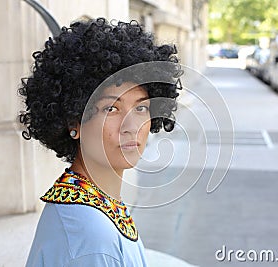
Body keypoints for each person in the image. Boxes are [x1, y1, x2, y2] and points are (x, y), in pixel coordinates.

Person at [19, 17, 182, 267]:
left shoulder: (92, 201)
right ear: (74, 122)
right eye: (111, 108)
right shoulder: (92, 239)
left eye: (140, 109)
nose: (131, 128)